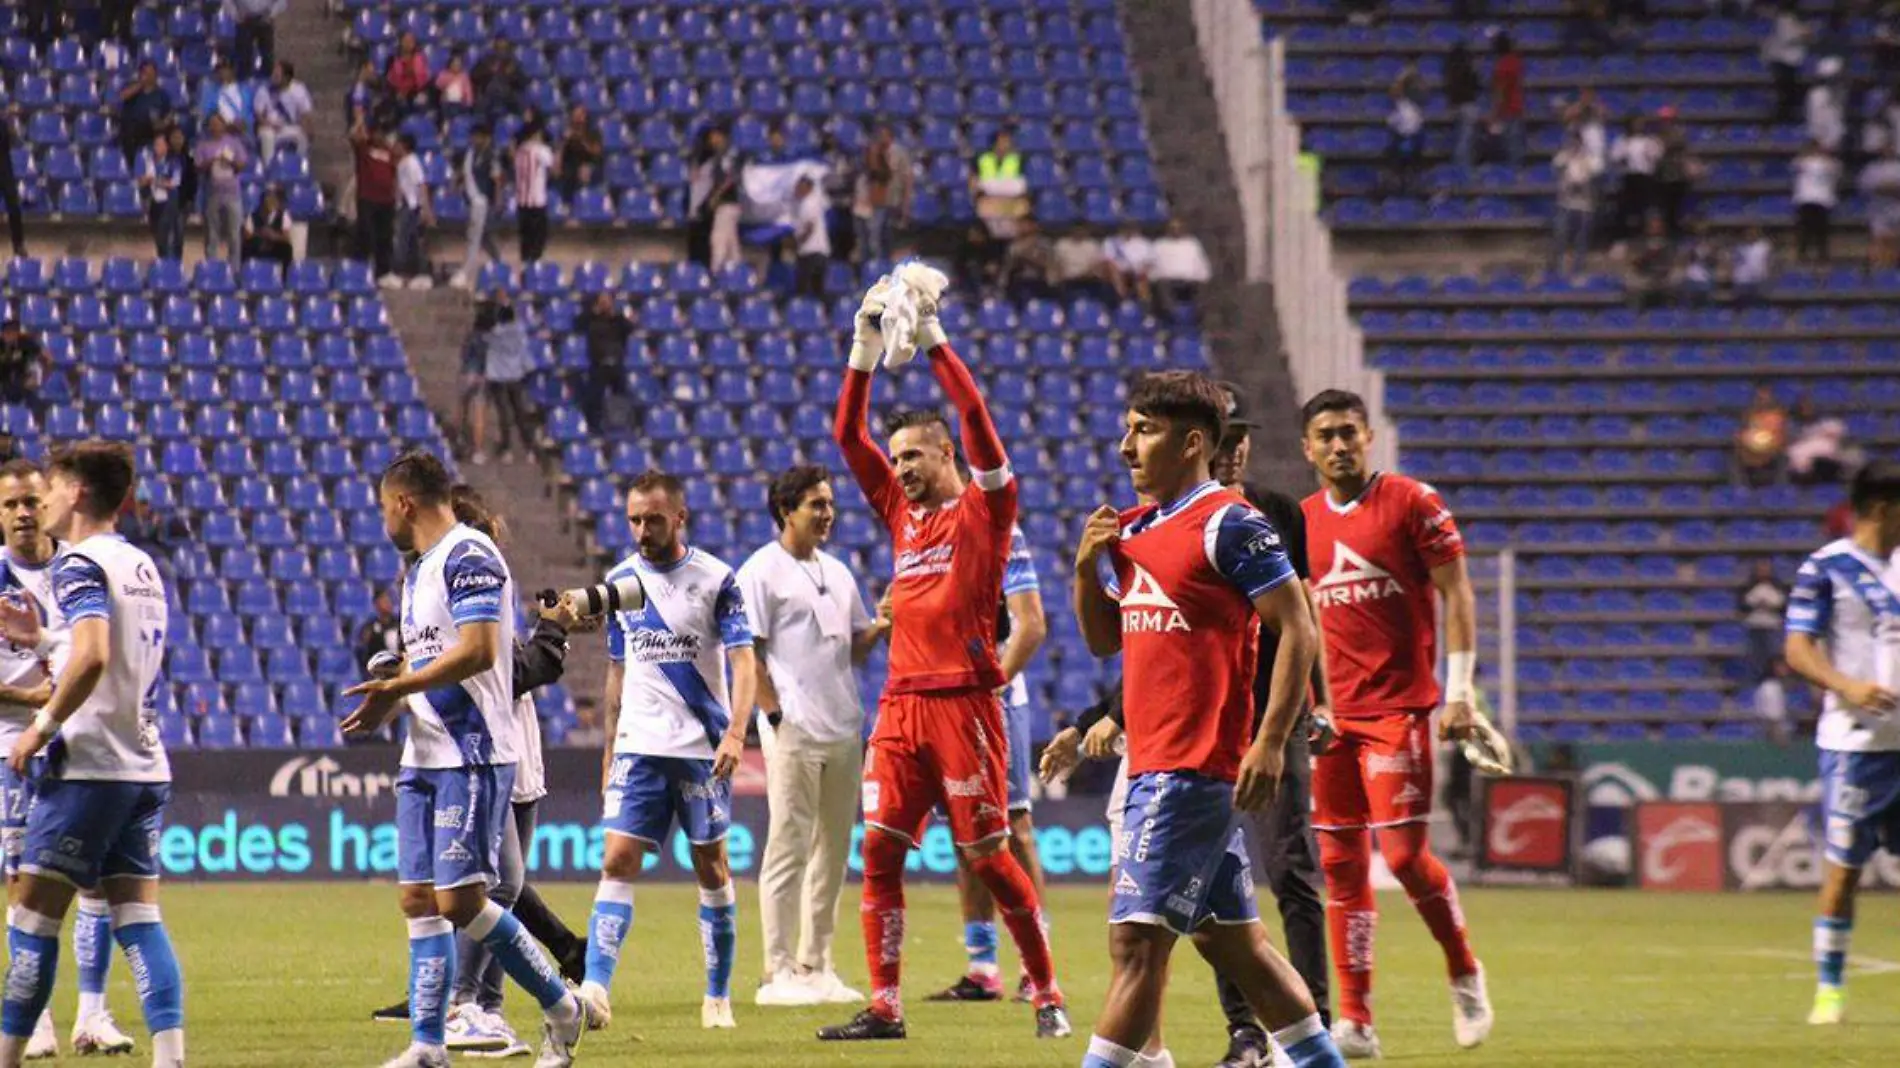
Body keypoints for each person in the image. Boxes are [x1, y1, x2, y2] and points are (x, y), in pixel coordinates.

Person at [1067, 372, 1344, 1068]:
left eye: (1145, 430)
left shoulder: (1230, 523)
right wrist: (1084, 570)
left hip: (1189, 771)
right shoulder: (1136, 527)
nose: (1126, 445)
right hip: (1152, 763)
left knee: (1134, 949)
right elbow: (1106, 641)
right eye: (1128, 428)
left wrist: (1272, 740)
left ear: (1193, 442)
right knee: (1235, 945)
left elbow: (1299, 629)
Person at [819, 272, 1069, 1042]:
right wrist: (864, 344)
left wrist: (930, 338)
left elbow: (975, 414)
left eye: (914, 456)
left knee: (990, 856)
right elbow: (844, 438)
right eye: (894, 459)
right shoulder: (900, 512)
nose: (899, 470)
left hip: (966, 705)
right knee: (881, 854)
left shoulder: (988, 512)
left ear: (946, 454)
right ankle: (886, 1004)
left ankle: (1047, 991)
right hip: (901, 706)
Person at [338, 450, 590, 1068]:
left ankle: (562, 1007)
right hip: (422, 754)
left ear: (404, 503)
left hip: (472, 752)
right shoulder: (418, 570)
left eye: (382, 509)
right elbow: (428, 660)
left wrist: (401, 687)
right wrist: (388, 704)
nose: (383, 522)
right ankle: (428, 1044)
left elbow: (479, 652)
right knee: (418, 899)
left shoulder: (469, 557)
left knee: (463, 902)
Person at [1298, 390, 1494, 1058]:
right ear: (1307, 448)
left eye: (1348, 432)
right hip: (1332, 722)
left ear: (1369, 436)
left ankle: (1465, 972)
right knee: (1340, 866)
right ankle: (1356, 1019)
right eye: (1324, 435)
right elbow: (1297, 627)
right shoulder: (1301, 523)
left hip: (1400, 710)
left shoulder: (1411, 501)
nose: (1338, 446)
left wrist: (1460, 693)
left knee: (1406, 858)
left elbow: (1457, 592)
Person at [0, 442, 184, 1068]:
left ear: (75, 492)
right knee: (138, 918)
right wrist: (46, 636)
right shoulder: (140, 565)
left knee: (30, 918)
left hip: (88, 767)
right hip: (145, 764)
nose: (42, 501)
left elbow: (96, 655)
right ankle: (171, 1058)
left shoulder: (77, 564)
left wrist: (40, 727)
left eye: (48, 488)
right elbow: (114, 651)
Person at [574, 471, 757, 1032]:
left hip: (703, 745)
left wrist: (735, 733)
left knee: (711, 865)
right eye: (633, 519)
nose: (641, 529)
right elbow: (617, 671)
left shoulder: (717, 579)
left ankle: (717, 995)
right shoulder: (620, 581)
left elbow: (745, 662)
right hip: (640, 745)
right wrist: (609, 748)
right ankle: (596, 989)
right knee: (616, 860)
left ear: (679, 517)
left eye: (653, 518)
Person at [739, 465, 889, 1008]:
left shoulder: (839, 572)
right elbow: (746, 654)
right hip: (795, 726)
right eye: (815, 505)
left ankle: (816, 963)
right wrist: (776, 717)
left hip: (844, 725)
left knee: (833, 849)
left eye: (828, 504)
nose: (826, 514)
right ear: (786, 511)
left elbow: (854, 649)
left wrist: (881, 626)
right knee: (788, 846)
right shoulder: (760, 572)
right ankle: (776, 969)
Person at [1784, 461, 1900, 1028]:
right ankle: (1829, 991)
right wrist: (1849, 686)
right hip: (1856, 746)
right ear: (1882, 508)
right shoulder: (1827, 568)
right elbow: (1798, 648)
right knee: (1845, 871)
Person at [928, 518, 1049, 1006]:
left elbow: (1030, 622)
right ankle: (982, 969)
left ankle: (1034, 965)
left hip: (996, 695)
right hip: (944, 694)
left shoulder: (997, 528)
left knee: (1015, 827)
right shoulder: (919, 532)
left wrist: (994, 682)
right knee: (964, 836)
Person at [451, 123, 507, 290]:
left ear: (485, 137)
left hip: (483, 200)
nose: (473, 139)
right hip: (472, 199)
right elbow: (465, 172)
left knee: (474, 237)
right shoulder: (471, 153)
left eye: (476, 136)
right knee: (484, 236)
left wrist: (498, 199)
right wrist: (457, 182)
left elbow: (497, 179)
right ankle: (499, 263)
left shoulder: (492, 154)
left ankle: (466, 272)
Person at [480, 298, 531, 465]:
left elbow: (483, 339)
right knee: (520, 412)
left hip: (499, 378)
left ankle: (507, 449)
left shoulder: (495, 334)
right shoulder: (520, 331)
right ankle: (528, 448)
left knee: (504, 413)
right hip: (515, 376)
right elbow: (525, 353)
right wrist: (528, 367)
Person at [193, 114, 249, 262]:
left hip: (233, 194)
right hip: (212, 194)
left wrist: (230, 161)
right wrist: (211, 161)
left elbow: (242, 164)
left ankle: (234, 268)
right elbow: (197, 167)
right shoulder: (203, 145)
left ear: (224, 125)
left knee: (234, 234)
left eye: (218, 124)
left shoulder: (234, 143)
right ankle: (212, 266)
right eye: (212, 124)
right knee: (212, 234)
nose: (215, 127)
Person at [574, 292, 632, 433]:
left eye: (607, 301)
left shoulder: (617, 319)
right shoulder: (591, 319)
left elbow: (629, 328)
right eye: (602, 301)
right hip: (599, 364)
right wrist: (593, 313)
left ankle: (620, 425)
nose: (605, 304)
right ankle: (594, 427)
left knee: (620, 397)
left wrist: (617, 317)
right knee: (594, 398)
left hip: (616, 364)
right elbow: (578, 324)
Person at [354, 120, 400, 283]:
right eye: (377, 132)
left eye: (382, 133)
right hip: (367, 198)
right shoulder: (364, 149)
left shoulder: (389, 152)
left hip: (387, 200)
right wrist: (360, 120)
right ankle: (360, 273)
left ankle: (383, 273)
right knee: (366, 235)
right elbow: (355, 136)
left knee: (385, 237)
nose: (380, 136)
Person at [859, 124, 913, 262]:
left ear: (890, 136)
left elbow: (907, 179)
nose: (881, 139)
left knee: (889, 237)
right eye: (879, 136)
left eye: (884, 135)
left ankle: (888, 266)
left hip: (894, 201)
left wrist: (906, 204)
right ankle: (875, 267)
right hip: (876, 202)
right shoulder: (873, 153)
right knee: (873, 237)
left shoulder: (900, 153)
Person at [1551, 132, 1600, 277]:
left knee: (1581, 239)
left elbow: (1595, 172)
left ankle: (1579, 267)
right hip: (1566, 204)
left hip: (1585, 205)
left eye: (1576, 142)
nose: (1574, 145)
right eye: (1571, 142)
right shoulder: (1562, 157)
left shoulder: (1591, 159)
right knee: (1562, 236)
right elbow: (1557, 167)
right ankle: (1561, 267)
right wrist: (1569, 157)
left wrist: (1582, 162)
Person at [393, 134, 434, 290]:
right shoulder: (402, 163)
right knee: (406, 242)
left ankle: (422, 275)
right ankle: (407, 274)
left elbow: (422, 185)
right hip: (405, 206)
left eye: (397, 143)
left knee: (413, 242)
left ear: (403, 145)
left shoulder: (412, 162)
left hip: (413, 207)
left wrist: (426, 209)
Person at [1151, 219, 1213, 319]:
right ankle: (1173, 315)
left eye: (1178, 228)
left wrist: (1203, 277)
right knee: (1162, 287)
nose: (1176, 230)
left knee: (1202, 289)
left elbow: (1202, 264)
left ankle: (1197, 318)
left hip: (1189, 281)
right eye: (1173, 228)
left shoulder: (1192, 244)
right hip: (1168, 280)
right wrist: (1155, 276)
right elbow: (1153, 265)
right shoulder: (1159, 244)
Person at [137, 133, 186, 261]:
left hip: (169, 202)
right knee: (157, 234)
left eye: (159, 145)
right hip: (153, 202)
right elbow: (140, 181)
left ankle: (170, 260)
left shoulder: (173, 162)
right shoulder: (148, 162)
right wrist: (154, 181)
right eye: (155, 145)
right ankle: (162, 258)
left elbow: (173, 183)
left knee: (165, 232)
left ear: (166, 147)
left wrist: (153, 180)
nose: (156, 148)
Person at [1741, 559, 1788, 687]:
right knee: (1757, 655)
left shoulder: (1777, 586)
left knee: (1773, 653)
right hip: (1755, 625)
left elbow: (1783, 605)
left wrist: (1771, 605)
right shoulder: (1749, 586)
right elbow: (1742, 605)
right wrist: (1756, 604)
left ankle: (1773, 679)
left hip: (1772, 625)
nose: (1763, 571)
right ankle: (1757, 679)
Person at [973, 128, 1028, 238]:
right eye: (1003, 141)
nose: (1006, 144)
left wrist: (992, 186)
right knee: (984, 208)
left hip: (1011, 202)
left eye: (1008, 141)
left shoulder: (1019, 160)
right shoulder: (981, 159)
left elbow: (1021, 187)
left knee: (1022, 208)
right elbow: (975, 184)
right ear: (995, 143)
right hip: (988, 201)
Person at [703, 127, 744, 272]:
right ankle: (738, 275)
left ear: (722, 136)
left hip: (728, 203)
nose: (712, 140)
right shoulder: (719, 155)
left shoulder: (728, 154)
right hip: (728, 204)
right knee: (732, 244)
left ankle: (716, 273)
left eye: (715, 136)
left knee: (718, 239)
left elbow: (731, 177)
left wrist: (716, 196)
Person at [116, 62, 172, 168]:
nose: (149, 76)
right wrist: (140, 85)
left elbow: (168, 115)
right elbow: (122, 97)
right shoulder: (132, 88)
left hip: (152, 131)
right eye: (146, 73)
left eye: (152, 73)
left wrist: (163, 124)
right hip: (131, 131)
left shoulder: (162, 94)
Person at [255, 61, 312, 164]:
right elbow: (259, 115)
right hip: (269, 127)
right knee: (267, 136)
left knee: (302, 136)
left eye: (277, 75)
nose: (273, 77)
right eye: (273, 74)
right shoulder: (264, 90)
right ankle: (269, 168)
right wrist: (270, 124)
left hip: (289, 127)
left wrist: (307, 130)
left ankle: (299, 165)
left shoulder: (299, 89)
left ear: (286, 77)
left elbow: (305, 114)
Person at [1794, 141, 1841, 264]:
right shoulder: (1803, 161)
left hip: (1823, 199)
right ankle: (1802, 254)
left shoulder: (1831, 163)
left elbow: (1836, 172)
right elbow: (1796, 165)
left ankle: (1822, 255)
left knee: (1821, 230)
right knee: (1805, 229)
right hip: (1806, 198)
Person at [514, 122, 554, 265]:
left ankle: (525, 266)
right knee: (538, 237)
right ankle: (535, 267)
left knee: (525, 238)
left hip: (521, 201)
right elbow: (553, 167)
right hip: (537, 200)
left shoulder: (519, 151)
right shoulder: (541, 150)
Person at [1763, 3, 1811, 124]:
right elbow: (1788, 37)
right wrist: (1803, 33)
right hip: (1783, 62)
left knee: (1793, 92)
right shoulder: (1783, 19)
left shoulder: (1795, 20)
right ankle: (1783, 116)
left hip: (1793, 62)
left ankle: (1791, 115)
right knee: (1784, 93)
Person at [1735, 384, 1789, 487]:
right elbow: (1743, 431)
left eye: (1765, 395)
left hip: (1773, 449)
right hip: (1750, 448)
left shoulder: (1777, 413)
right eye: (1760, 396)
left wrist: (1773, 443)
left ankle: (1779, 488)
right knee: (1735, 456)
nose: (1763, 398)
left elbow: (1782, 434)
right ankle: (1740, 488)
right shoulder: (1749, 413)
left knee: (1783, 456)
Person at [1443, 42, 1482, 171]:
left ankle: (1461, 168)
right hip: (1467, 106)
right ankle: (1462, 169)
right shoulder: (1466, 69)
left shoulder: (1449, 70)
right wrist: (1474, 70)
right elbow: (1476, 85)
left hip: (1454, 106)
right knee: (1465, 141)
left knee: (1461, 139)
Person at [1488, 32, 1524, 167]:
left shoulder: (1502, 65)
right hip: (1517, 108)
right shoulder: (1515, 61)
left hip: (1507, 110)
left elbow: (1501, 91)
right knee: (1516, 145)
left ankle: (1513, 173)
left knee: (1510, 146)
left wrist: (1495, 113)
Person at [1861, 145, 1900, 271]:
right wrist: (1883, 188)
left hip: (1897, 207)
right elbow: (1865, 186)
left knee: (1895, 239)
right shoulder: (1872, 168)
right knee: (1879, 239)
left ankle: (1894, 266)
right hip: (1878, 209)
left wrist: (1892, 189)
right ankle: (1877, 267)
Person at [791, 176, 831, 298]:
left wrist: (798, 242)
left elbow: (810, 226)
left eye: (800, 186)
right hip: (814, 252)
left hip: (812, 252)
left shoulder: (809, 203)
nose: (797, 189)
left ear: (808, 187)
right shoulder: (805, 203)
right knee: (816, 290)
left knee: (806, 289)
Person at [224, 0, 282, 79]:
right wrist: (235, 15)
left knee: (267, 56)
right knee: (243, 56)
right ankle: (243, 82)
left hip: (265, 20)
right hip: (244, 20)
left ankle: (267, 82)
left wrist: (272, 13)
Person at [0, 323, 48, 418]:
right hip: (3, 385)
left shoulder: (25, 345)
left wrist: (35, 378)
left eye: (12, 333)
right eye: (7, 333)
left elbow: (42, 362)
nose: (9, 337)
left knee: (36, 402)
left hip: (22, 383)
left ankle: (36, 425)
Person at [242, 185, 294, 270]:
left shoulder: (283, 215)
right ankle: (246, 273)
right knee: (246, 247)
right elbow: (246, 235)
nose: (270, 202)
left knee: (287, 248)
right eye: (268, 199)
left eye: (273, 199)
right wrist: (260, 233)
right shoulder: (252, 215)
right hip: (258, 244)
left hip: (274, 246)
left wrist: (274, 236)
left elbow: (286, 237)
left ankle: (285, 277)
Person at [196, 61, 254, 138]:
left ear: (232, 71)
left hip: (243, 132)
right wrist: (224, 125)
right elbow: (206, 113)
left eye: (225, 69)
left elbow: (251, 112)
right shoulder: (211, 91)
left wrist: (245, 124)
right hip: (220, 132)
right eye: (219, 69)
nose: (221, 72)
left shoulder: (245, 90)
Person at [558, 107, 603, 203]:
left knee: (585, 171)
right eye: (575, 116)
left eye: (580, 115)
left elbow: (596, 151)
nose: (578, 119)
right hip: (571, 166)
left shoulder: (593, 133)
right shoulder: (566, 133)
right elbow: (560, 153)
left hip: (590, 164)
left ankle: (587, 201)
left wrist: (581, 139)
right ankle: (567, 204)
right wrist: (565, 140)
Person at [1103, 221, 1154, 306]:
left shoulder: (1144, 243)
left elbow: (1149, 262)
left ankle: (1145, 310)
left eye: (1131, 228)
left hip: (1138, 273)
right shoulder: (1111, 242)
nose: (1128, 230)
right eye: (1126, 228)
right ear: (1121, 229)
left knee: (1142, 280)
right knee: (1114, 273)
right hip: (1118, 273)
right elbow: (1109, 261)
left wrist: (1142, 272)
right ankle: (1121, 302)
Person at [354, 588, 403, 672]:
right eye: (384, 601)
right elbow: (364, 653)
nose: (388, 603)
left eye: (388, 600)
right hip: (379, 670)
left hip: (402, 666)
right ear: (376, 605)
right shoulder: (369, 628)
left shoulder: (400, 623)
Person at [386, 33, 432, 114]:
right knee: (400, 104)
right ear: (401, 42)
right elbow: (389, 81)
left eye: (411, 41)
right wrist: (398, 92)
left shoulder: (421, 58)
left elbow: (425, 79)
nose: (408, 44)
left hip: (417, 91)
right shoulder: (393, 59)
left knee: (421, 102)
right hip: (399, 92)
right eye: (406, 41)